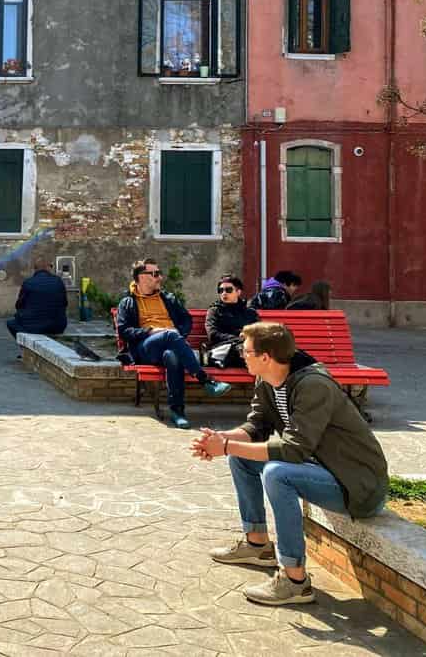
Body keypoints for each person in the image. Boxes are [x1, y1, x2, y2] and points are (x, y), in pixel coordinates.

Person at [191, 321, 388, 606]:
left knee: (277, 473)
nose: (240, 355)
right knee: (241, 458)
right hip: (318, 468)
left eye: (245, 351)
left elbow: (293, 450)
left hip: (357, 484)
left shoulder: (313, 385)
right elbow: (256, 426)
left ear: (265, 357)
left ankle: (295, 580)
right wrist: (221, 439)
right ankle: (257, 544)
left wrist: (224, 446)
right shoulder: (268, 379)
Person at [116, 258, 231, 429]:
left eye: (159, 273)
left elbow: (186, 320)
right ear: (141, 277)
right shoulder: (128, 302)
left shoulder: (168, 298)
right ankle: (204, 380)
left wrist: (179, 336)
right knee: (169, 334)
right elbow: (124, 331)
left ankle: (177, 412)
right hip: (145, 348)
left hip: (171, 343)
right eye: (154, 274)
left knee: (172, 356)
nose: (159, 277)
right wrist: (149, 331)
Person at [6, 256, 68, 354]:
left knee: (11, 323)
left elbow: (19, 305)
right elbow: (65, 303)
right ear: (49, 267)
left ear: (35, 268)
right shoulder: (58, 282)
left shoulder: (28, 283)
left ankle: (26, 351)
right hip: (57, 326)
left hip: (33, 327)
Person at [205, 274, 258, 369]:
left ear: (238, 292)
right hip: (224, 350)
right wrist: (239, 337)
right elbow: (212, 334)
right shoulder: (214, 311)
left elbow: (259, 333)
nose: (224, 293)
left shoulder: (250, 313)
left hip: (248, 348)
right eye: (220, 291)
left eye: (228, 290)